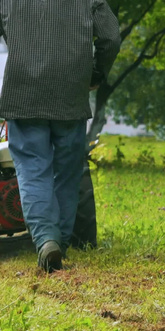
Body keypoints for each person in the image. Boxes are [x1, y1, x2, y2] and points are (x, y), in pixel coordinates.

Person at [0, 0, 120, 272]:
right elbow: (111, 38)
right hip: (70, 95)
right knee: (67, 172)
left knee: (32, 169)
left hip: (23, 94)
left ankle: (46, 240)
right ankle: (60, 245)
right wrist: (96, 72)